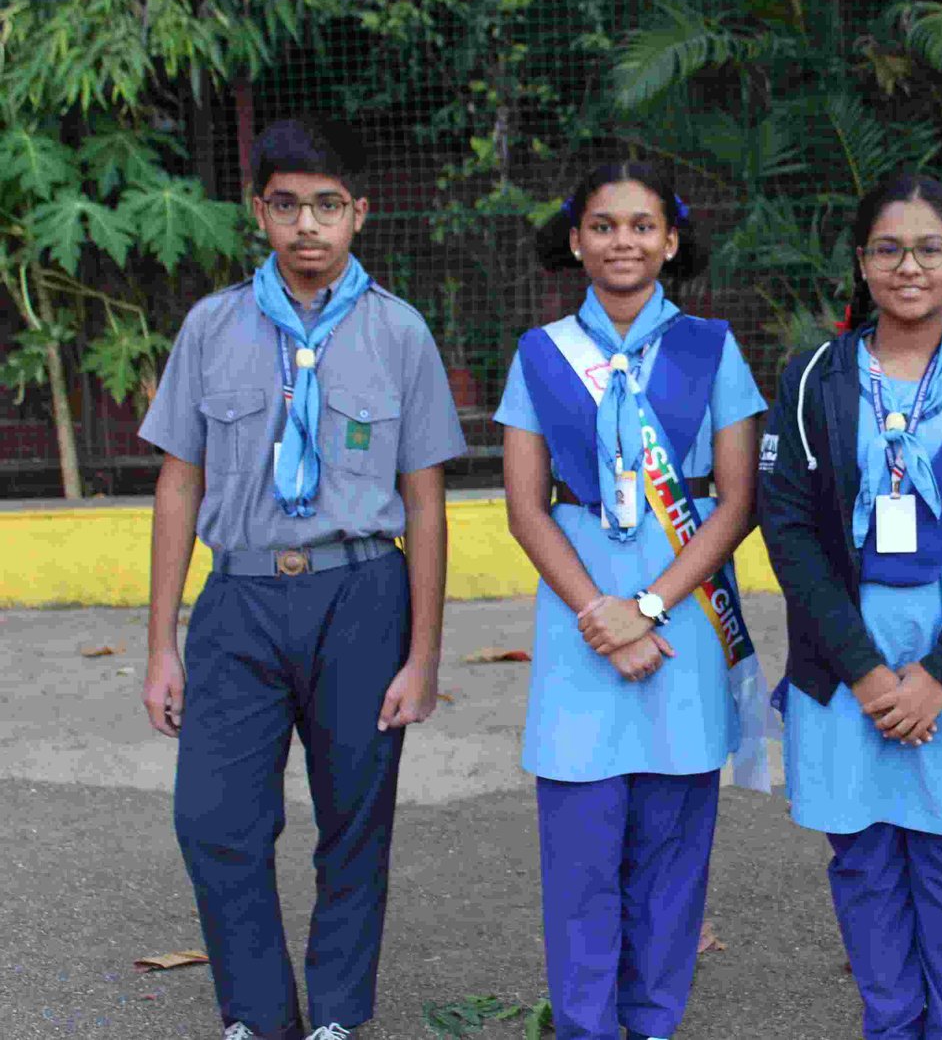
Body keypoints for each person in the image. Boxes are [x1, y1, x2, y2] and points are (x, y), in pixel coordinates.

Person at [138, 117, 466, 1040]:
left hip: (361, 593)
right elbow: (178, 485)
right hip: (239, 596)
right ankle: (257, 1014)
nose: (307, 225)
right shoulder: (211, 327)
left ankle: (336, 1018)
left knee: (354, 819)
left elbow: (426, 501)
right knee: (213, 818)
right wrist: (161, 643)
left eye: (327, 205)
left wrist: (424, 655)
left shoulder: (399, 332)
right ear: (259, 213)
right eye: (287, 206)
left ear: (359, 211)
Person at [758, 173, 942, 1040]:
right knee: (863, 859)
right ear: (861, 261)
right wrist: (864, 670)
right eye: (888, 249)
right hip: (843, 659)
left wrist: (937, 676)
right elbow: (788, 530)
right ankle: (890, 1025)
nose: (909, 266)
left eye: (929, 248)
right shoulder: (814, 380)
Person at [495, 160, 768, 1040]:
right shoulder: (540, 355)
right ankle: (585, 1026)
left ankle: (652, 1023)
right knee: (579, 860)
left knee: (671, 859)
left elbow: (736, 501)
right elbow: (526, 508)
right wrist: (601, 618)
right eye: (604, 226)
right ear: (576, 240)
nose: (624, 242)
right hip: (579, 627)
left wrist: (646, 609)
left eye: (642, 226)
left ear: (671, 240)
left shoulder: (711, 348)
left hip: (681, 618)